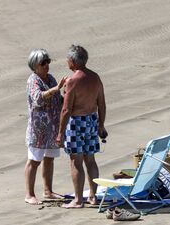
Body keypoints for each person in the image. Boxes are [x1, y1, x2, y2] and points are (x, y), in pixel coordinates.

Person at [56, 44, 108, 209]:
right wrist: (101, 125)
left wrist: (60, 133)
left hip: (77, 123)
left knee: (76, 161)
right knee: (90, 160)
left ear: (72, 61)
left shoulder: (72, 81)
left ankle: (78, 200)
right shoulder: (95, 77)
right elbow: (102, 104)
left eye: (67, 59)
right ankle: (93, 196)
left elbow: (66, 109)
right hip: (92, 121)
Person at [25, 49, 67, 205]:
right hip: (38, 129)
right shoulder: (33, 80)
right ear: (35, 65)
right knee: (34, 161)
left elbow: (58, 98)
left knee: (50, 159)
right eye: (43, 63)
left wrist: (66, 95)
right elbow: (38, 99)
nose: (46, 65)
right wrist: (56, 89)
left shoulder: (50, 78)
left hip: (52, 128)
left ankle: (48, 191)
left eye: (48, 61)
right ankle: (29, 194)